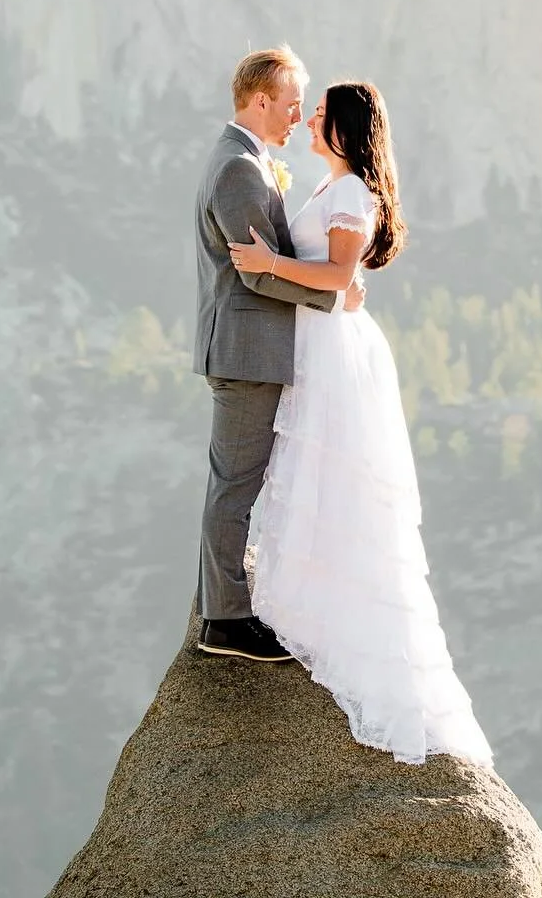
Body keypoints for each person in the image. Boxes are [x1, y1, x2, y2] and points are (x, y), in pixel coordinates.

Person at [227, 78, 493, 767]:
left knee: (330, 476)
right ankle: (305, 605)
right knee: (309, 475)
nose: (309, 121)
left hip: (335, 351)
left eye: (320, 115)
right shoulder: (332, 187)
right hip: (319, 341)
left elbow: (341, 277)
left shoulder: (348, 194)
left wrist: (266, 263)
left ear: (345, 127)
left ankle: (326, 617)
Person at [192, 46, 365, 664]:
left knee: (241, 481)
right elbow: (257, 275)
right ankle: (225, 620)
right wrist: (334, 297)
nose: (298, 117)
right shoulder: (238, 168)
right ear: (260, 100)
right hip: (244, 351)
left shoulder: (248, 160)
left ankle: (226, 604)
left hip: (253, 349)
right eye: (292, 105)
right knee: (235, 485)